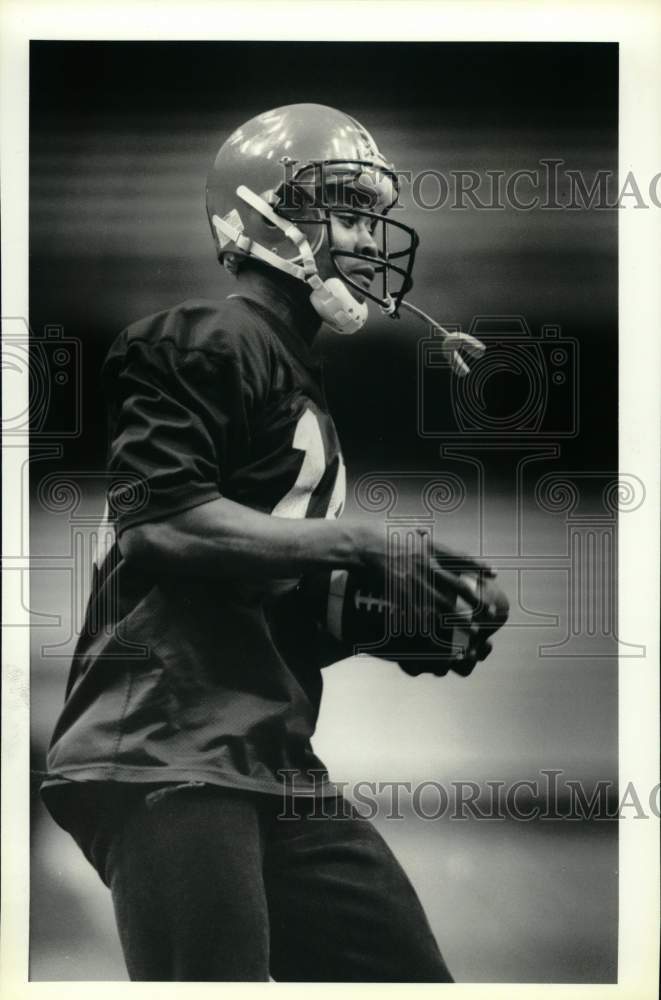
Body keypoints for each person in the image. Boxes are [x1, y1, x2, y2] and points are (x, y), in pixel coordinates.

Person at [40, 103, 501, 982]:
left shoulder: (294, 372)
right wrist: (358, 542)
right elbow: (161, 529)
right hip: (164, 741)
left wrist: (379, 622)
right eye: (347, 209)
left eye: (372, 212)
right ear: (265, 216)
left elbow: (255, 583)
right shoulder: (205, 339)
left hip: (264, 749)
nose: (369, 236)